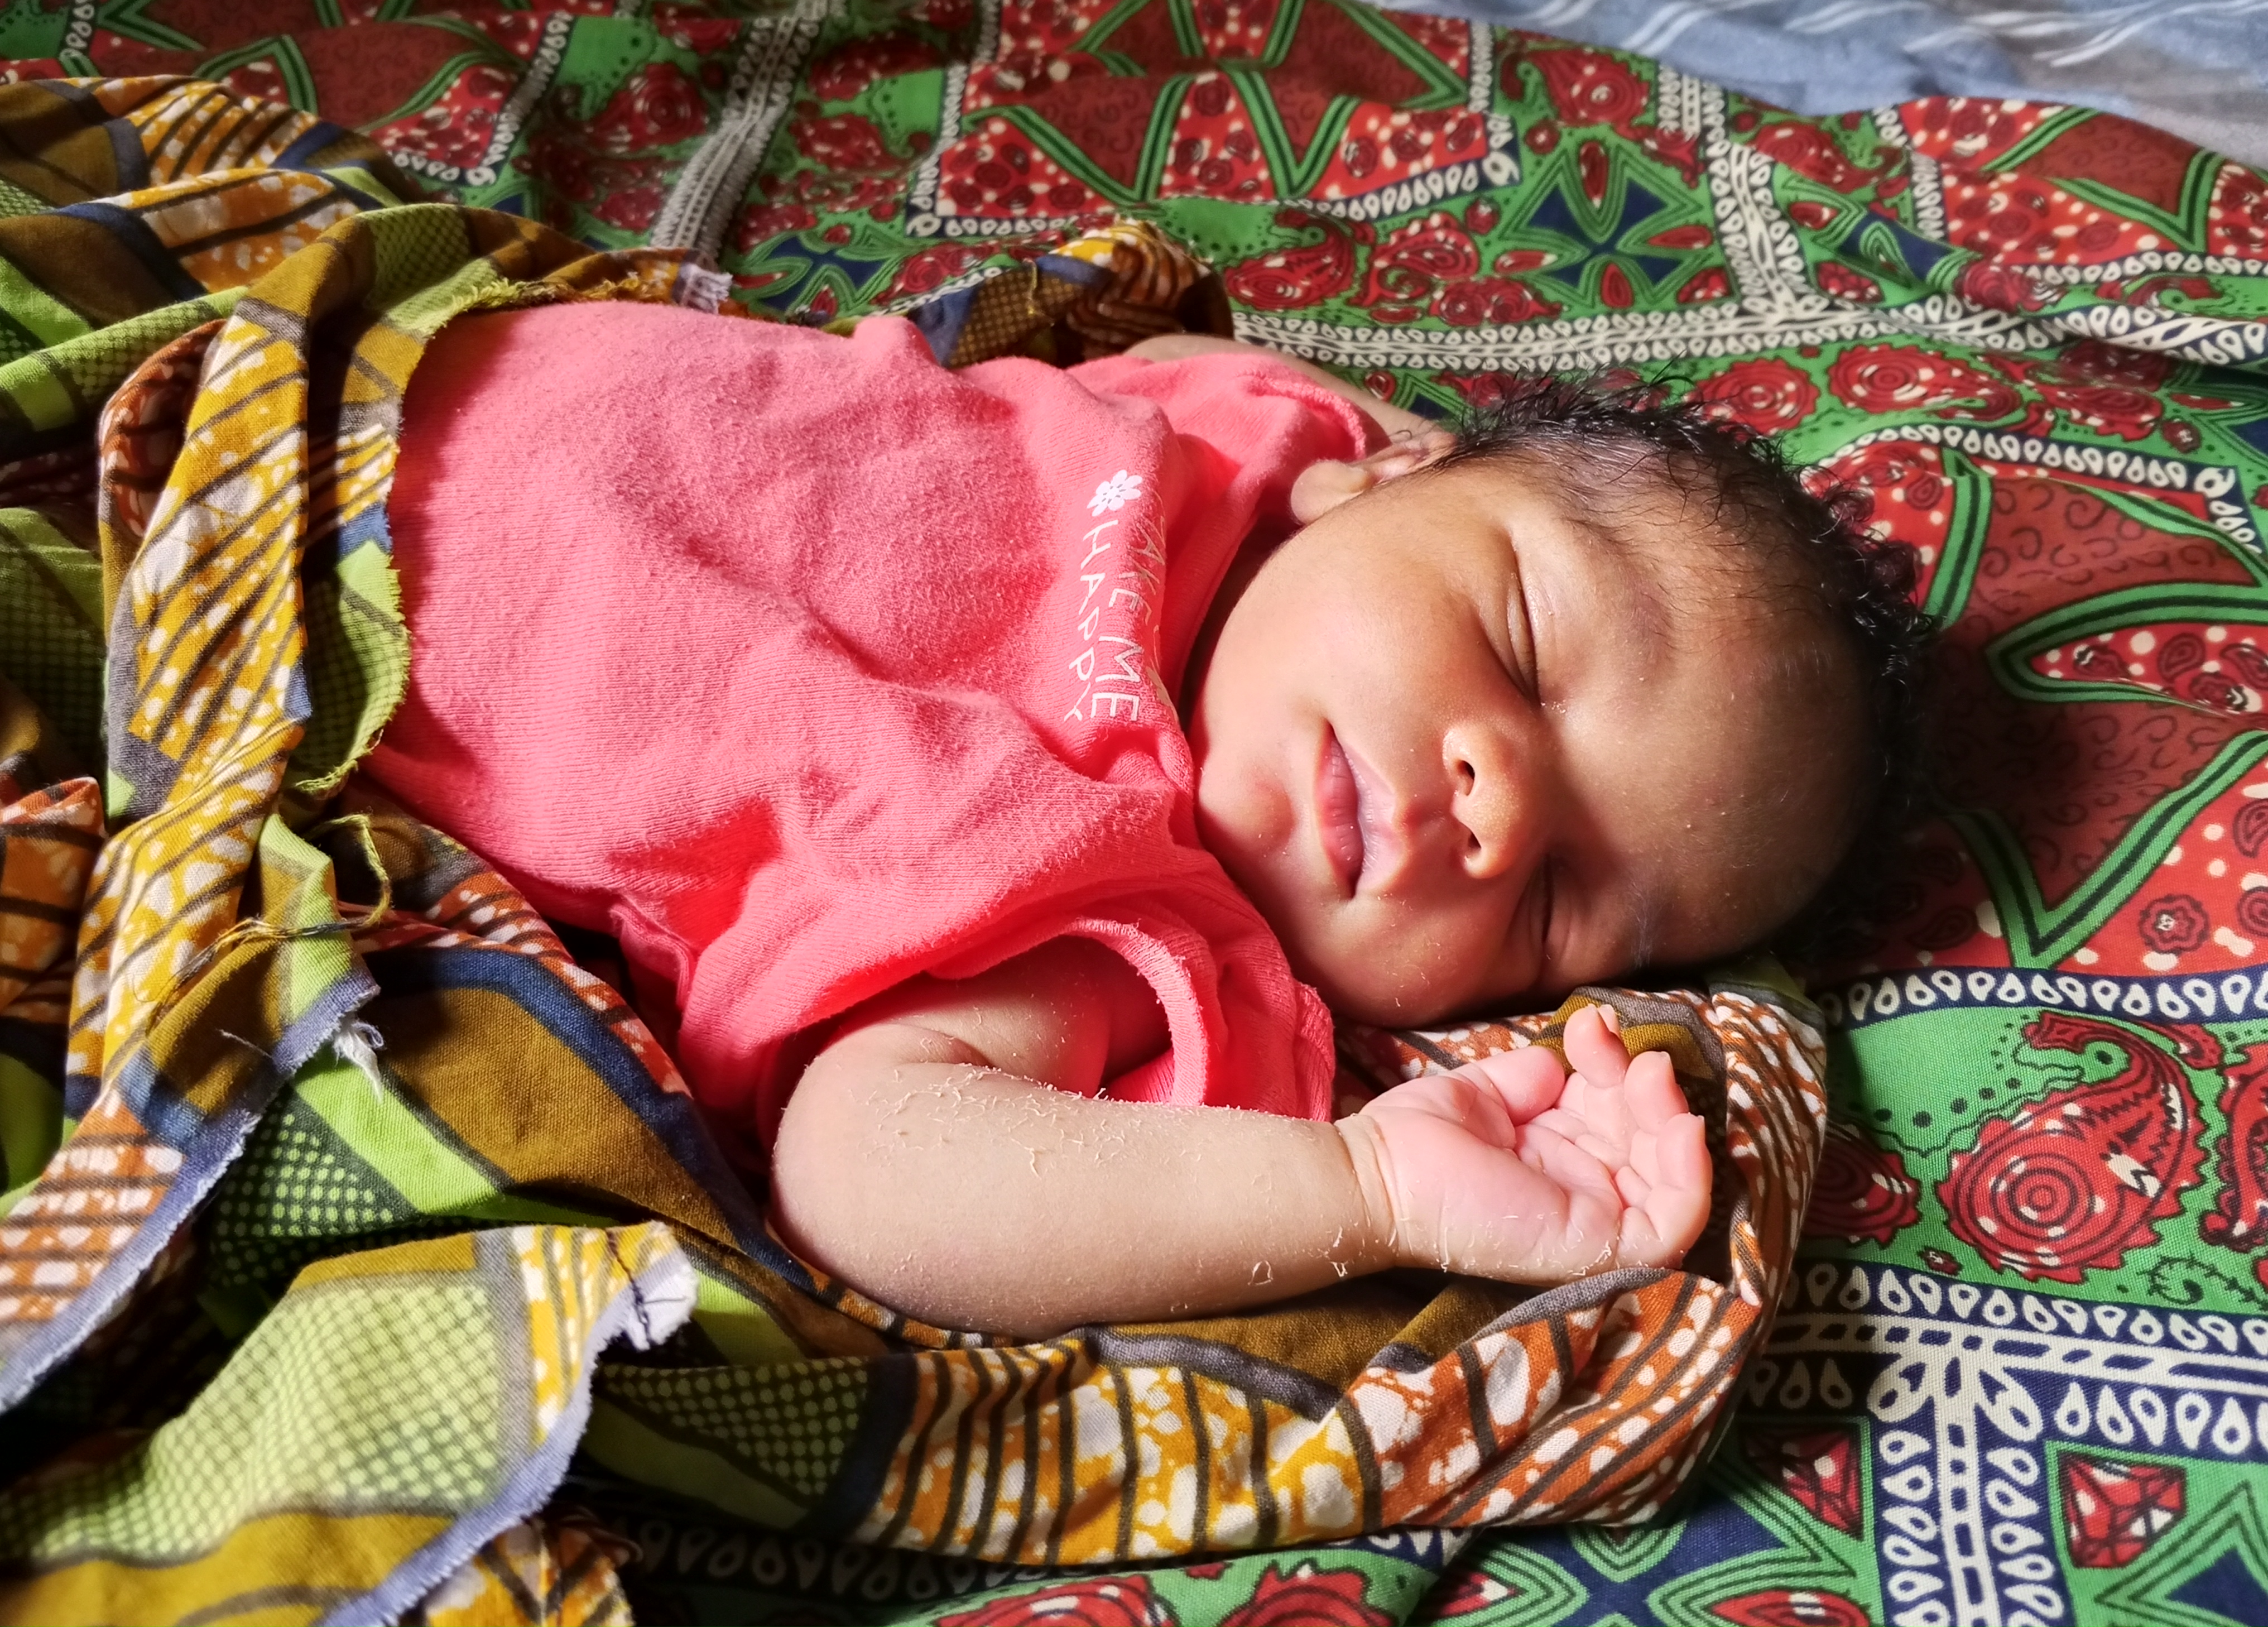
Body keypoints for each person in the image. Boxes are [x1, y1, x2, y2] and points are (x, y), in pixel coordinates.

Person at [366, 301, 1928, 1339]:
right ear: (1385, 474)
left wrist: (1366, 1190)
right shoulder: (1260, 442)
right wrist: (1406, 467)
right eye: (1519, 645)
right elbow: (1223, 362)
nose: (1496, 810)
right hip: (401, 352)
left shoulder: (1129, 923)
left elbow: (866, 1172)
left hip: (312, 593)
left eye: (1557, 901)